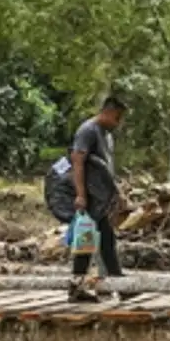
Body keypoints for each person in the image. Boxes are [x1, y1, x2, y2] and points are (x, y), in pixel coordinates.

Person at [69, 95, 127, 279]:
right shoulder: (87, 130)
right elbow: (77, 161)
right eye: (116, 117)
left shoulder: (107, 135)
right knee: (91, 241)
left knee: (103, 241)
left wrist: (116, 192)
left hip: (102, 199)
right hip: (90, 197)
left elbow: (105, 168)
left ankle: (112, 281)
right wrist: (80, 195)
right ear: (107, 112)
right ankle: (80, 283)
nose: (118, 123)